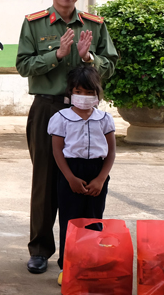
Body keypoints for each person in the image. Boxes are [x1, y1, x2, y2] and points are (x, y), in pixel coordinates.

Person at [16, 0, 118, 275]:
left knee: (86, 178)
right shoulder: (33, 25)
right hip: (48, 109)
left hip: (88, 114)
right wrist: (56, 56)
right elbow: (23, 65)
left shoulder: (94, 25)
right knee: (45, 181)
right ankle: (41, 249)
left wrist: (89, 59)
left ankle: (82, 246)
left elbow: (111, 65)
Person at [48, 65, 115, 286]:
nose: (84, 97)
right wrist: (69, 178)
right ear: (70, 92)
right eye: (79, 91)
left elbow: (111, 151)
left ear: (97, 93)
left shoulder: (104, 118)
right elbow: (57, 151)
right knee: (71, 222)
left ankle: (92, 265)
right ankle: (67, 267)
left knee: (94, 220)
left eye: (89, 92)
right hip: (71, 173)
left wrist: (101, 179)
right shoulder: (61, 118)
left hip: (97, 173)